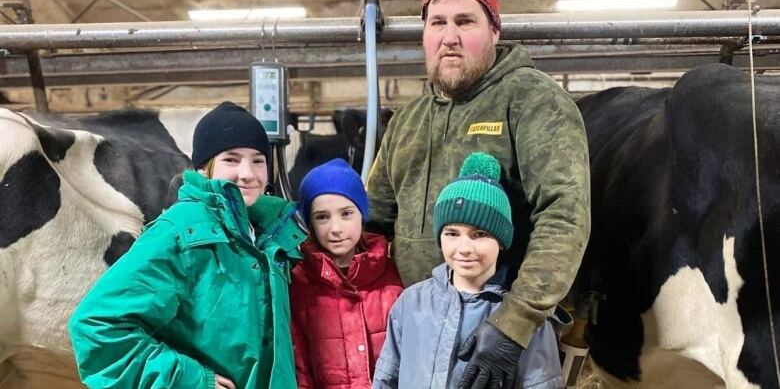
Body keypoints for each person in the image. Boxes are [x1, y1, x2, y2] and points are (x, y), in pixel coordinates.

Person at [365, 0, 591, 388]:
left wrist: (515, 324)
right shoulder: (407, 121)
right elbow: (373, 224)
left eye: (465, 21)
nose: (449, 37)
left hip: (499, 335)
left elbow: (564, 215)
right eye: (438, 23)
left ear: (495, 31)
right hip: (420, 329)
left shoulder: (533, 101)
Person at [68, 101, 306, 389]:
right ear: (205, 169)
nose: (248, 173)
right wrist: (190, 381)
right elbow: (96, 325)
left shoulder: (269, 236)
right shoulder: (182, 231)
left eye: (258, 160)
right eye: (231, 159)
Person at [373, 153, 564, 389]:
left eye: (480, 234)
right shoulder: (411, 303)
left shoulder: (523, 320)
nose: (464, 248)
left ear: (502, 240)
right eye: (452, 233)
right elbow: (386, 377)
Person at [290, 158, 404, 388]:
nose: (336, 228)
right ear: (309, 223)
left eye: (346, 214)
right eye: (322, 217)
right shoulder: (299, 282)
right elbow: (300, 366)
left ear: (362, 214)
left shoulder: (390, 273)